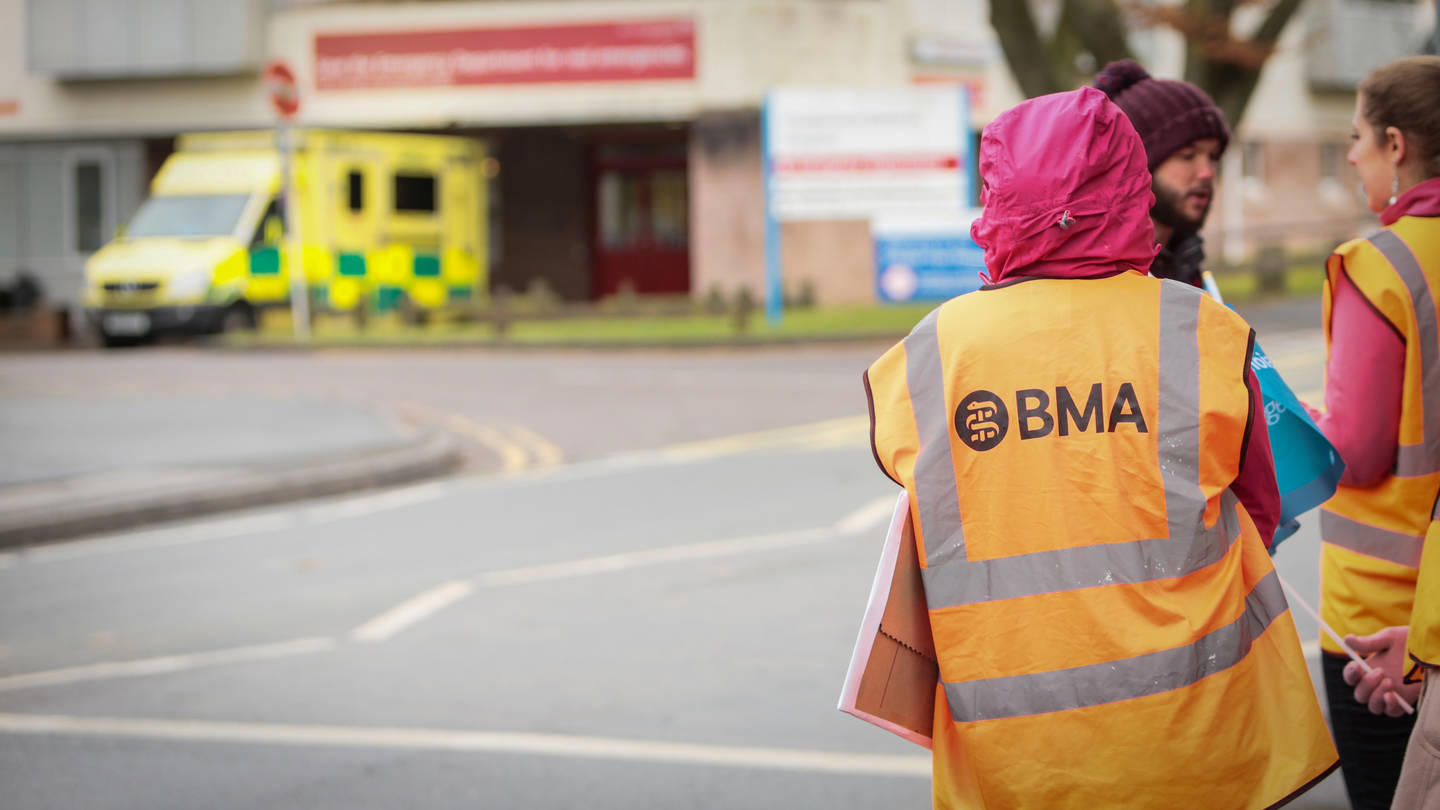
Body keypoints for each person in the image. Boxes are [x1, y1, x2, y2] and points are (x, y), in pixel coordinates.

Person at [862, 86, 1337, 810]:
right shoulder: (1198, 329)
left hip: (1016, 758)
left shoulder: (929, 354)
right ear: (1130, 183)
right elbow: (1260, 513)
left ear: (997, 195)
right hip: (1197, 738)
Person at [1310, 55, 1440, 810]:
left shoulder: (1378, 265)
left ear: (1397, 144)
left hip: (1381, 623)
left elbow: (1354, 453)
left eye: (1357, 136)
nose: (1352, 154)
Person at [1094, 59, 1229, 288]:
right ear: (1135, 165)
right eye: (1187, 156)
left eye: (1213, 157)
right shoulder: (1099, 278)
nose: (1207, 173)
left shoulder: (1188, 265)